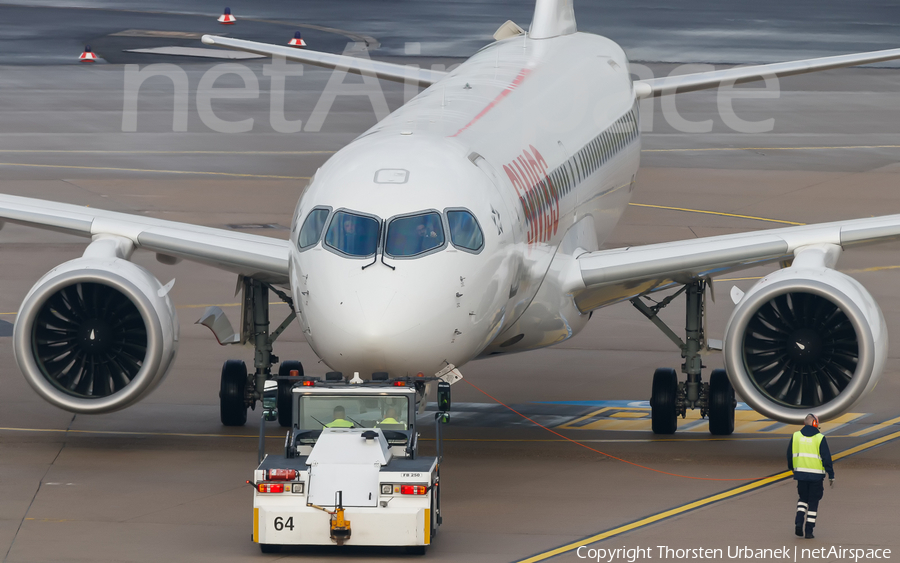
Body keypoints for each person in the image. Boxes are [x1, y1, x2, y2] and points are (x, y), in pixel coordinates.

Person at [787, 413, 834, 539]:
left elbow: (789, 454)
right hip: (816, 477)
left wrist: (792, 468)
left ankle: (798, 521)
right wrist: (831, 474)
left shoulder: (796, 436)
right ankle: (809, 531)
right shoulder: (820, 438)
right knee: (813, 502)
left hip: (801, 475)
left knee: (802, 499)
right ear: (815, 423)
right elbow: (826, 458)